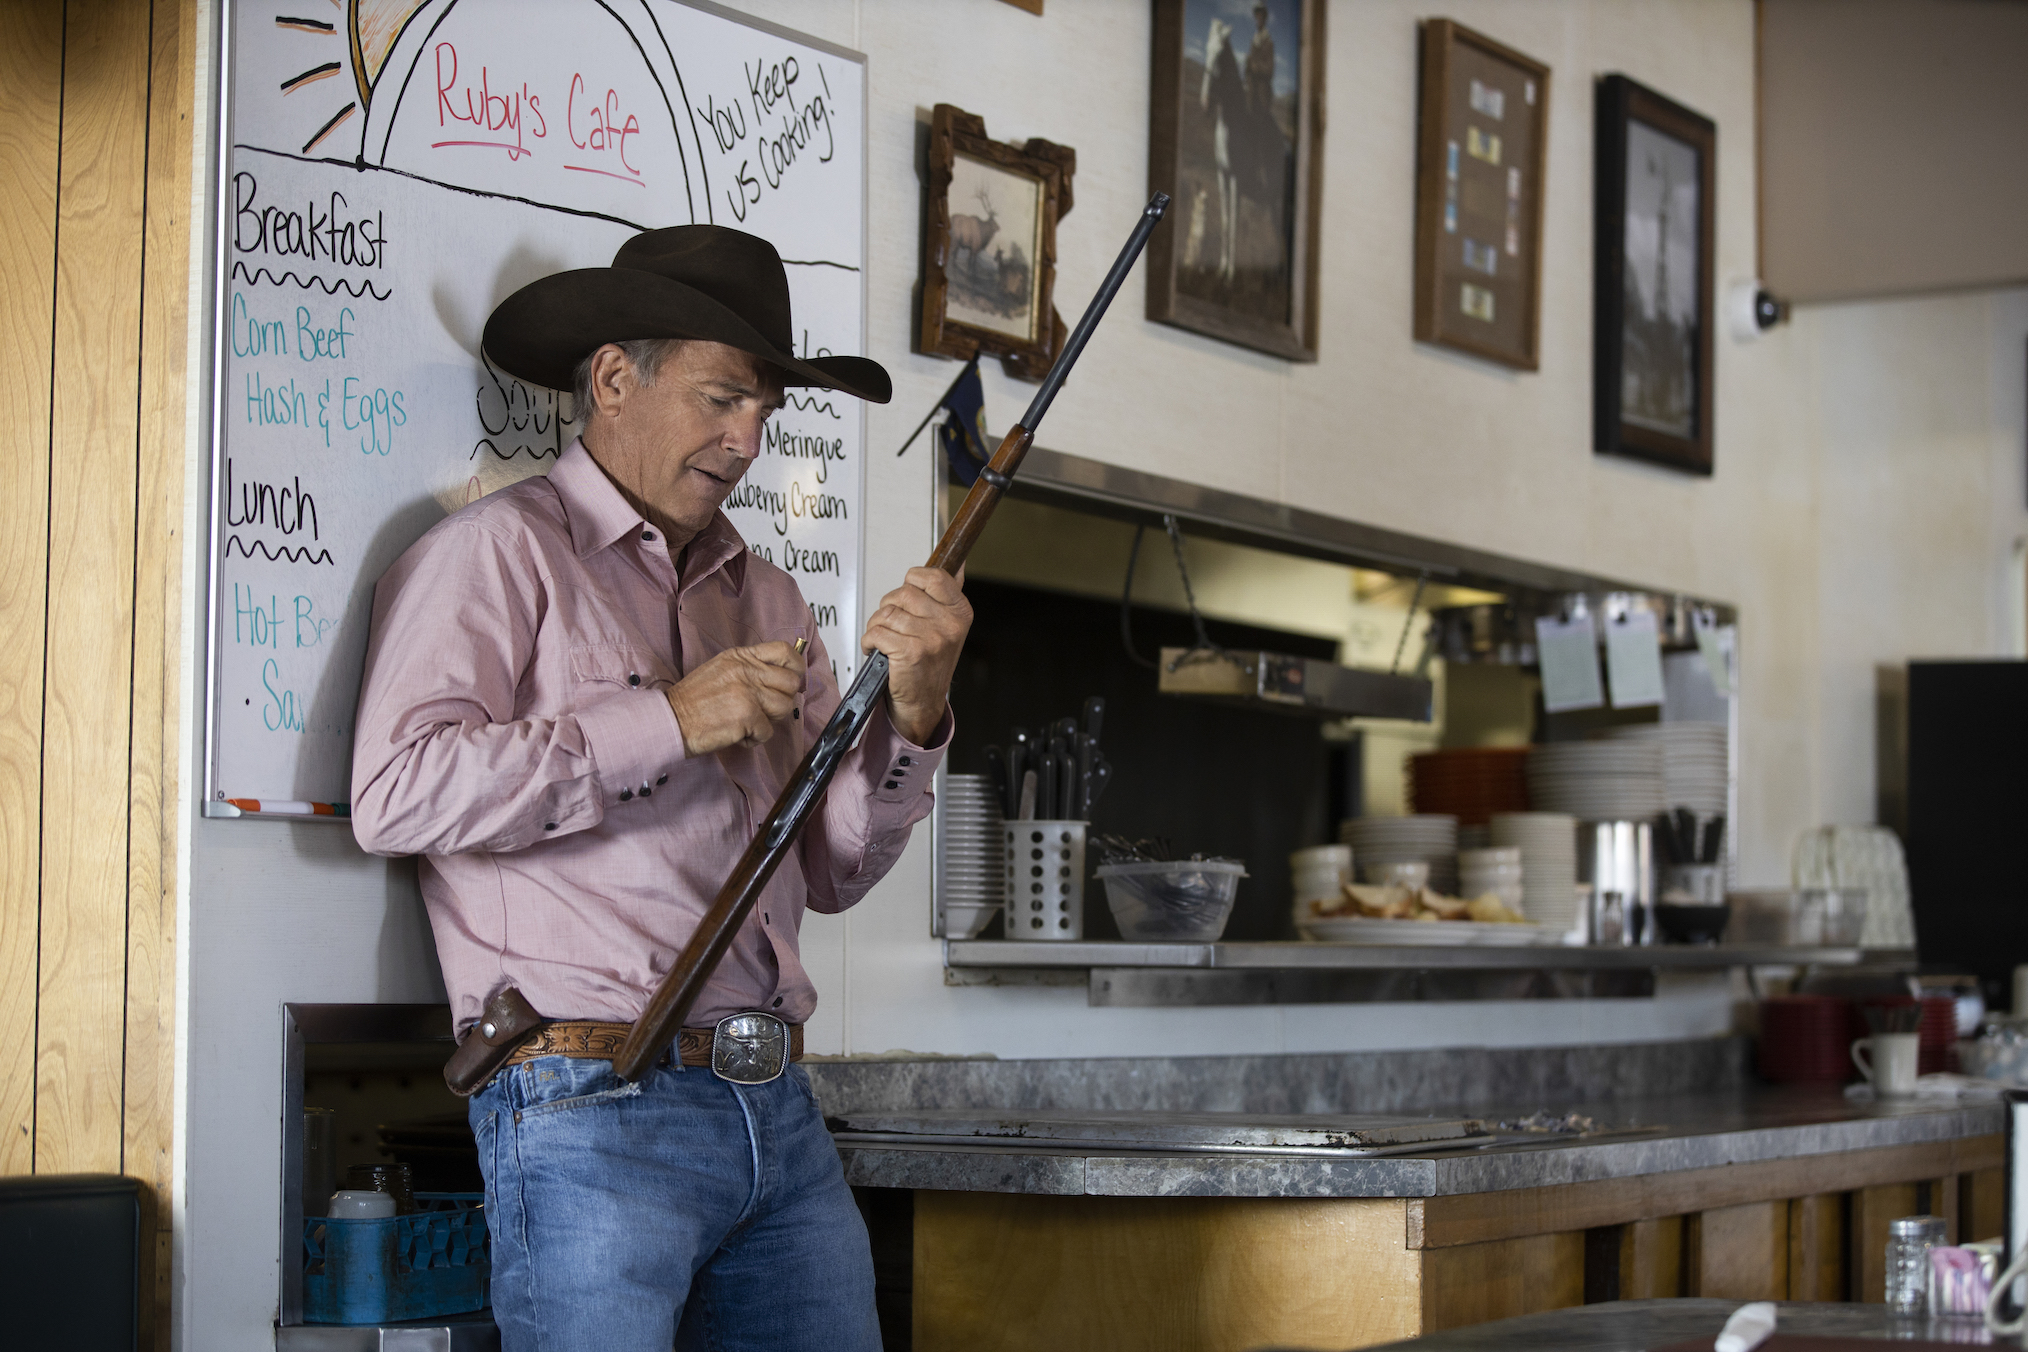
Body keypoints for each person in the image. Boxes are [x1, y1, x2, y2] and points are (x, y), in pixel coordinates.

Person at [349, 225, 970, 1352]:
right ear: (615, 378)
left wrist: (916, 718)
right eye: (723, 398)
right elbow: (397, 789)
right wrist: (668, 721)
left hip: (777, 1107)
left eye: (766, 410)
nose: (748, 440)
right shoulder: (496, 554)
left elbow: (830, 869)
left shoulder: (771, 596)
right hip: (589, 1105)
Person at [1243, 2, 1277, 117]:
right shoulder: (1253, 40)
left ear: (1265, 18)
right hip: (1250, 90)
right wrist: (1247, 64)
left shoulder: (1269, 42)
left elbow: (1270, 69)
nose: (1258, 18)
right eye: (1256, 16)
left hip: (1262, 95)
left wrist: (1255, 65)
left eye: (1261, 15)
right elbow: (1248, 67)